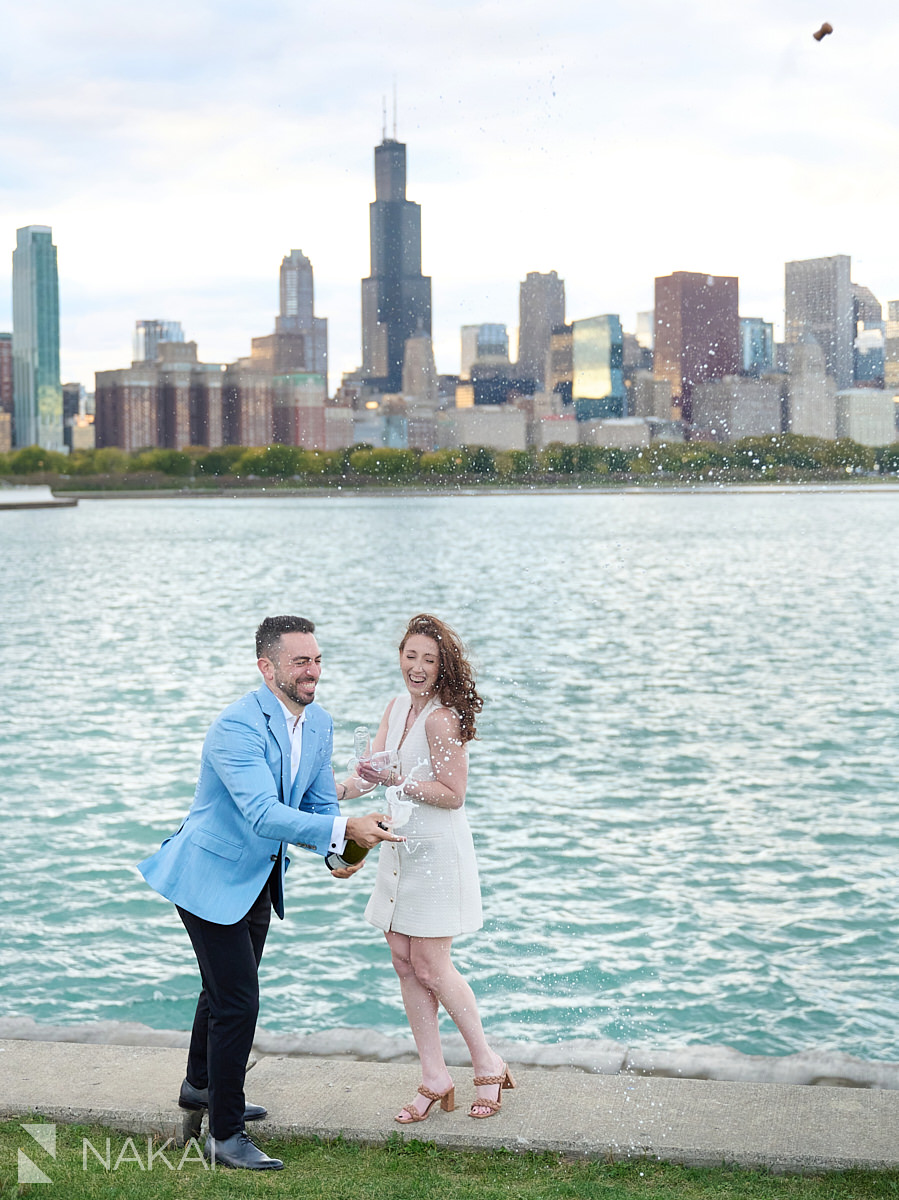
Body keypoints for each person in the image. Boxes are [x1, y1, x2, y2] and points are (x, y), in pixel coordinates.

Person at [138, 616, 400, 1171]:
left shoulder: (318, 722)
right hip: (207, 876)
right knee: (238, 1001)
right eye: (300, 661)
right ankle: (224, 1136)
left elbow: (312, 800)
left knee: (222, 990)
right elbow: (260, 812)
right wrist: (343, 830)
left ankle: (199, 1087)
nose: (313, 671)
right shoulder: (237, 726)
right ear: (267, 667)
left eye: (318, 659)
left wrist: (339, 850)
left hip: (256, 877)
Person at [338, 613, 515, 1121]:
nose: (417, 668)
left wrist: (398, 779)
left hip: (437, 856)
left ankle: (487, 1063)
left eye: (429, 660)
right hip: (399, 848)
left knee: (433, 966)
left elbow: (453, 794)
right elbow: (368, 772)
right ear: (400, 656)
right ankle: (435, 1076)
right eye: (410, 656)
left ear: (443, 668)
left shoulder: (443, 718)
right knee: (402, 959)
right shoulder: (395, 708)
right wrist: (331, 792)